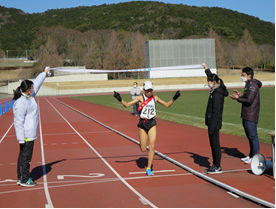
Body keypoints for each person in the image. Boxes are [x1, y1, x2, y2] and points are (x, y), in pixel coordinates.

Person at [114, 81, 180, 176]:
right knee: (143, 149)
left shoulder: (155, 98)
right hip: (142, 123)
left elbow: (167, 105)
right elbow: (127, 105)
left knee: (152, 146)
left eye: (151, 90)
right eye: (147, 90)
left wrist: (175, 98)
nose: (149, 92)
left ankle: (149, 168)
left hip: (152, 123)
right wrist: (119, 98)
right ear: (144, 90)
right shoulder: (140, 98)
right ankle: (141, 138)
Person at [13, 66, 51, 186]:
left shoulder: (30, 97)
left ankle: (21, 177)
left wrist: (44, 73)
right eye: (32, 87)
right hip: (26, 135)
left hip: (29, 134)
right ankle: (24, 179)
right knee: (26, 158)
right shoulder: (21, 103)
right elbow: (18, 122)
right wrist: (21, 138)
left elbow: (37, 83)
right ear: (28, 90)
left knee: (23, 156)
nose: (34, 88)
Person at [230, 67, 262, 164]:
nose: (241, 77)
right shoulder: (248, 84)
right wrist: (240, 96)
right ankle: (251, 156)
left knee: (253, 136)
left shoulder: (252, 85)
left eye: (243, 75)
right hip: (247, 114)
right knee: (250, 137)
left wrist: (237, 99)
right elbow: (247, 98)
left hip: (250, 115)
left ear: (249, 76)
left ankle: (255, 157)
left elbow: (249, 101)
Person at [202, 63, 228, 174]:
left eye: (209, 81)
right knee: (213, 145)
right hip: (212, 123)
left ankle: (217, 166)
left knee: (215, 146)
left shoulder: (217, 94)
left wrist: (212, 127)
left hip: (214, 124)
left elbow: (217, 112)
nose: (207, 83)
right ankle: (215, 164)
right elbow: (213, 76)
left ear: (213, 83)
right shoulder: (217, 88)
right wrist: (206, 69)